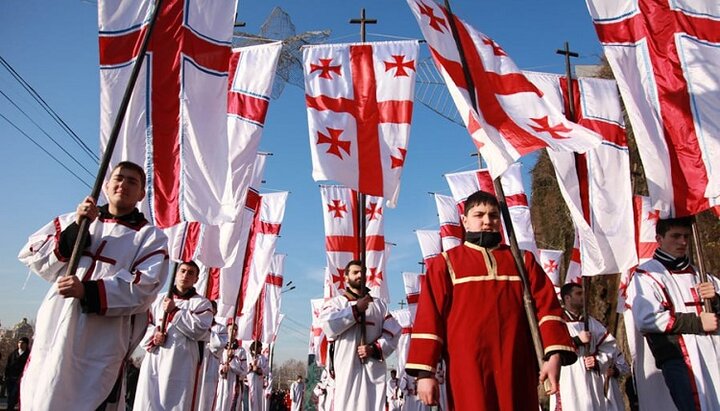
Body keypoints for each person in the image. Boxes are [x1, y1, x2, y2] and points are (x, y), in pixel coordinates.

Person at [18, 161, 169, 410]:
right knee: (44, 390)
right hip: (57, 323)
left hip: (102, 336)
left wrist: (87, 291)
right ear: (107, 185)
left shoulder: (150, 237)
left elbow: (144, 287)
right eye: (118, 178)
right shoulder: (75, 219)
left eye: (133, 181)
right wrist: (76, 229)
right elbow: (33, 255)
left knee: (89, 397)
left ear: (142, 193)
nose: (123, 185)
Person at [405, 190, 576, 410]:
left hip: (518, 363)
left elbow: (548, 308)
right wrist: (424, 373)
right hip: (467, 367)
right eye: (479, 215)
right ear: (465, 221)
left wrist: (553, 356)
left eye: (494, 215)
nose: (487, 221)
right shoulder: (446, 263)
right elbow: (430, 318)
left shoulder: (523, 260)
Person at [631, 216, 720, 411]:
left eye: (686, 236)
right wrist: (696, 322)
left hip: (715, 353)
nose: (682, 242)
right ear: (659, 239)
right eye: (675, 236)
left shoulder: (703, 275)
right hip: (679, 357)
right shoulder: (646, 275)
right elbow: (647, 319)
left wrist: (716, 301)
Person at [320, 260, 401, 410]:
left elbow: (394, 332)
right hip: (346, 369)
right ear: (346, 277)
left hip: (373, 371)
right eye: (355, 272)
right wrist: (355, 310)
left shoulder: (379, 305)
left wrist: (374, 348)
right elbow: (328, 326)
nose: (359, 276)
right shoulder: (336, 304)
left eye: (362, 272)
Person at [134, 260, 214, 410]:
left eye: (191, 273)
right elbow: (142, 325)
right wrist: (154, 336)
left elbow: (200, 330)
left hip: (182, 364)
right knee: (148, 401)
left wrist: (175, 312)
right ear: (176, 274)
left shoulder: (202, 304)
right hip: (155, 359)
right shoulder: (157, 299)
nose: (185, 275)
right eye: (182, 271)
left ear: (197, 279)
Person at [551, 283, 629, 411]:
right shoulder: (557, 321)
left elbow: (609, 346)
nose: (583, 297)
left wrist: (598, 361)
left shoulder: (591, 322)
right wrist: (576, 341)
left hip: (591, 380)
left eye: (583, 293)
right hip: (568, 376)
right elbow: (551, 346)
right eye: (578, 293)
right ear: (567, 298)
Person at [196, 301, 228, 411]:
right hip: (195, 362)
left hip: (210, 366)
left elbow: (218, 345)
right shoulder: (197, 323)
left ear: (215, 311)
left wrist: (205, 332)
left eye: (211, 308)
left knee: (206, 397)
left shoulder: (220, 328)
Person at [215, 332, 248, 411]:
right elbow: (217, 364)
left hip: (234, 383)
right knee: (220, 405)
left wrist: (232, 362)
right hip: (223, 382)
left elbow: (243, 370)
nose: (233, 332)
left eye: (235, 330)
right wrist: (222, 369)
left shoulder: (241, 350)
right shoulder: (222, 347)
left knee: (232, 406)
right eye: (231, 329)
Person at [4, 337, 30, 410]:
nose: (20, 344)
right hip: (10, 378)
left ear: (26, 344)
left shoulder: (28, 355)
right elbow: (8, 366)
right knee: (10, 396)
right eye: (19, 342)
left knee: (14, 396)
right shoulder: (13, 354)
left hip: (20, 379)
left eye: (22, 343)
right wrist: (6, 376)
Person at [247, 340, 269, 410]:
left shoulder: (262, 358)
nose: (261, 349)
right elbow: (244, 368)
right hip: (250, 382)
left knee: (259, 401)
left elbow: (267, 369)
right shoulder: (248, 355)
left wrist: (259, 369)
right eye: (260, 347)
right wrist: (251, 366)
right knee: (251, 399)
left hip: (259, 382)